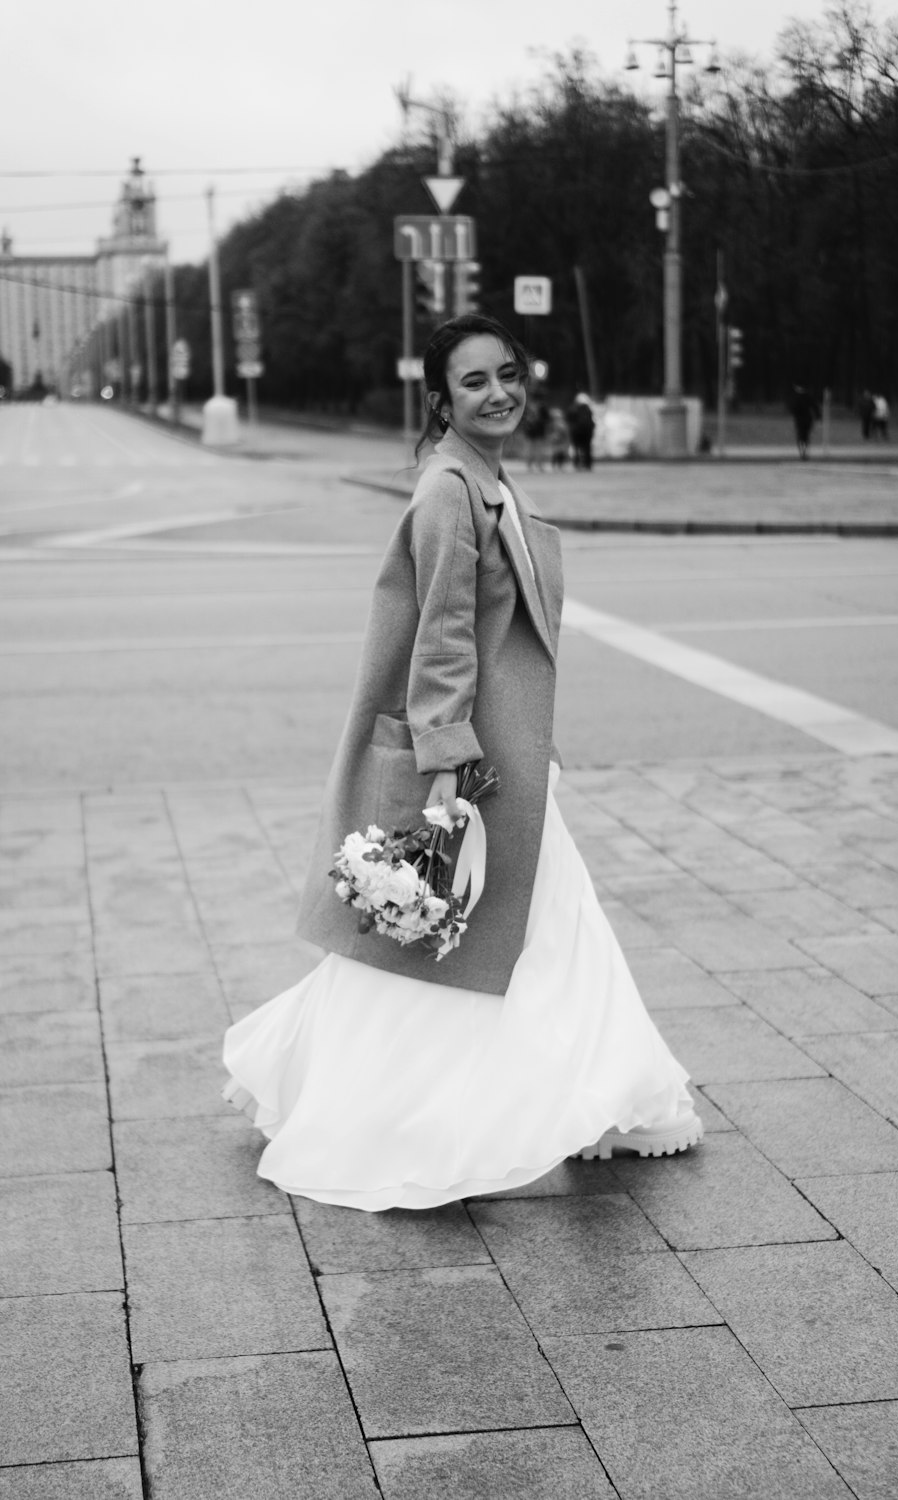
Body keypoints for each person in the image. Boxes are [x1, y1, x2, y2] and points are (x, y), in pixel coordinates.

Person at [222, 313, 702, 1210]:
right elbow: (441, 634)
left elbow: (497, 632)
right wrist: (446, 763)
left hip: (507, 749)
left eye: (509, 374)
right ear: (441, 399)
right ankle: (547, 1100)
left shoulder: (484, 478)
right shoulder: (449, 488)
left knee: (538, 927)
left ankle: (596, 1093)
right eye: (475, 381)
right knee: (511, 931)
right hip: (478, 761)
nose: (500, 393)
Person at [789, 384, 820, 459]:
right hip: (807, 419)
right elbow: (815, 406)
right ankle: (804, 452)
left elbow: (792, 409)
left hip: (800, 420)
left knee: (800, 436)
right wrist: (818, 416)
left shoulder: (795, 397)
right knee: (806, 437)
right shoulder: (808, 396)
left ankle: (801, 453)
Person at [567, 394, 595, 469]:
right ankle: (587, 464)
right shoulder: (588, 409)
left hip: (576, 432)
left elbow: (569, 420)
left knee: (576, 448)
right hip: (587, 432)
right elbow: (592, 421)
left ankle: (576, 464)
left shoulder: (573, 409)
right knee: (587, 448)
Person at [547, 405, 570, 470]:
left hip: (561, 441)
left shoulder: (563, 423)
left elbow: (566, 433)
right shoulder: (552, 423)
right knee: (555, 454)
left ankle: (560, 466)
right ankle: (555, 466)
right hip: (556, 441)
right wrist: (552, 436)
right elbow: (549, 431)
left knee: (560, 454)